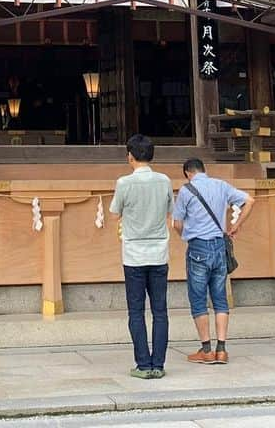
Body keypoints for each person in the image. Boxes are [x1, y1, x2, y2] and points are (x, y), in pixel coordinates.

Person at [172, 157, 256, 364]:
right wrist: (236, 225)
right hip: (219, 246)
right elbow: (249, 200)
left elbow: (176, 223)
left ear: (187, 173)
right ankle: (222, 349)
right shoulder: (221, 185)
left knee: (198, 299)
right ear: (203, 170)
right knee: (220, 298)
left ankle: (206, 349)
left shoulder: (186, 191)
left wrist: (186, 235)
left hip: (198, 247)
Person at [109, 133, 173, 379]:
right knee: (160, 311)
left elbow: (115, 213)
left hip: (134, 254)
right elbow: (170, 210)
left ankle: (143, 365)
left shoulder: (125, 183)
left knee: (136, 311)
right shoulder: (164, 180)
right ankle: (159, 364)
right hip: (159, 252)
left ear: (131, 156)